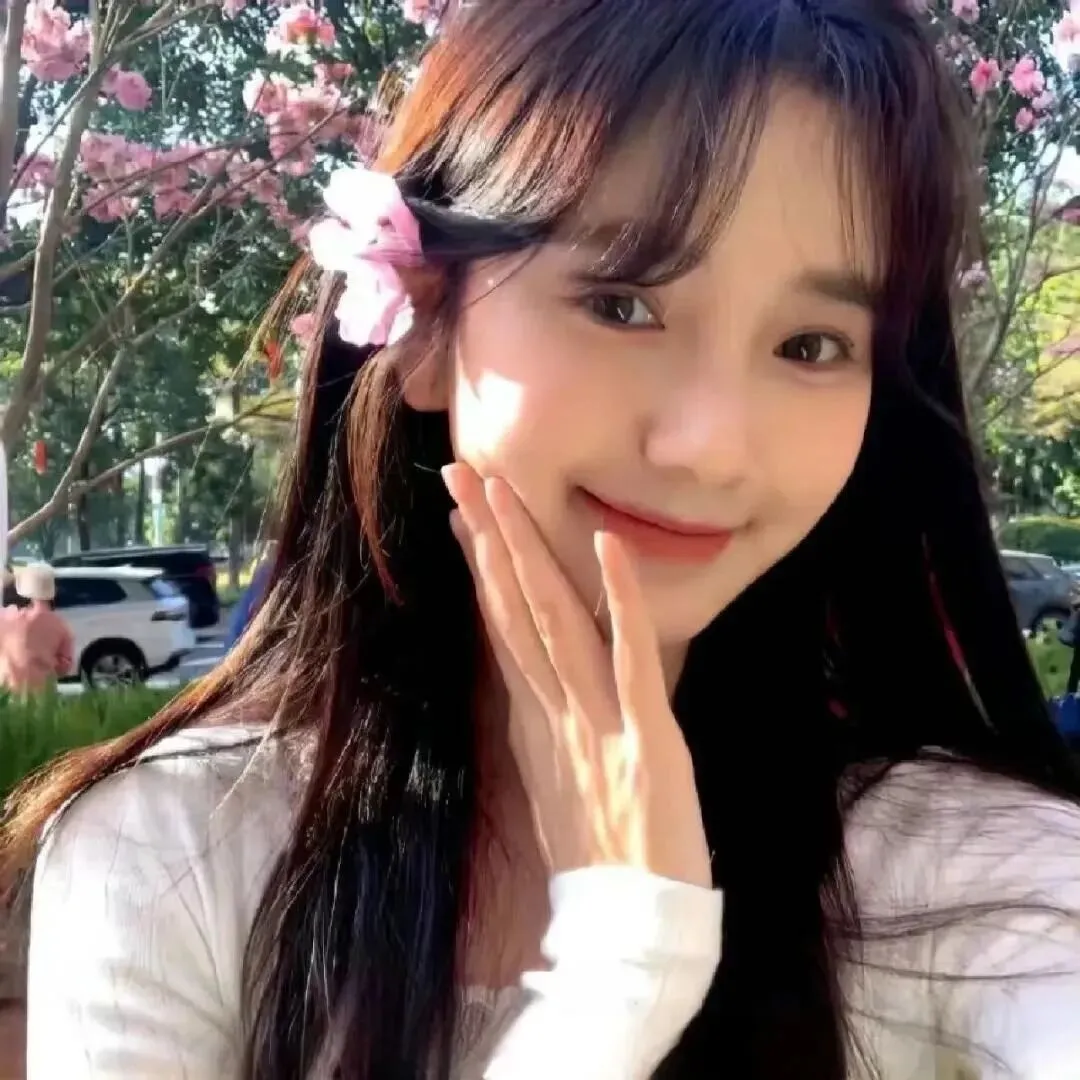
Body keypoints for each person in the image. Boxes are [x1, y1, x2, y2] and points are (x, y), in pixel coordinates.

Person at [6, 2, 1080, 1077]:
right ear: (424, 320)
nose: (711, 446)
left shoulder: (971, 876)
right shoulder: (171, 854)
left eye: (811, 344)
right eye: (622, 304)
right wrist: (620, 974)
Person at [0, 562, 74, 695]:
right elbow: (64, 667)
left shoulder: (6, 618)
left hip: (7, 693)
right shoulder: (61, 626)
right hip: (43, 695)